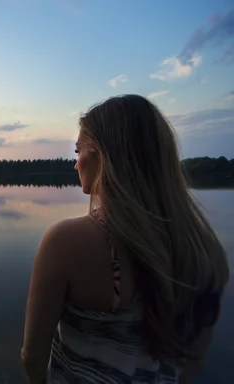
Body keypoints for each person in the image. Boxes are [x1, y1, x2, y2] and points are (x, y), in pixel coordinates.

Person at [21, 94, 229, 383]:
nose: (75, 164)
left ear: (99, 155)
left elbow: (32, 357)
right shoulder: (205, 251)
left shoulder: (65, 243)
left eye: (78, 151)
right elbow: (193, 362)